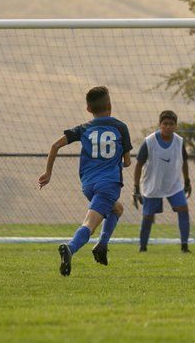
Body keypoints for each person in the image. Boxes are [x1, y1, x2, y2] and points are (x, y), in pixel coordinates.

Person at [38, 86, 132, 276]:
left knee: (117, 209)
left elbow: (55, 145)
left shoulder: (84, 128)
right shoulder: (120, 127)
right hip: (109, 184)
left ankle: (102, 245)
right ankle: (70, 248)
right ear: (110, 105)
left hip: (88, 185)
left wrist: (48, 173)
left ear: (88, 109)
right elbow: (128, 162)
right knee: (90, 224)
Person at [132, 110, 192, 253]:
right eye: (165, 124)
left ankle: (184, 246)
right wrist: (136, 188)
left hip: (173, 184)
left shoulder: (179, 141)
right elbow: (139, 165)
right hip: (152, 185)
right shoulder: (149, 142)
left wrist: (187, 181)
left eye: (171, 124)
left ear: (176, 126)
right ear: (160, 125)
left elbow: (184, 162)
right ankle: (143, 247)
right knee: (148, 215)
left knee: (183, 208)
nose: (168, 127)